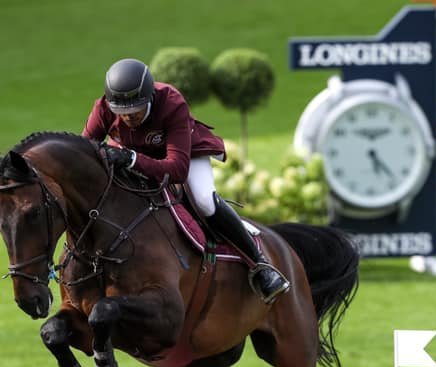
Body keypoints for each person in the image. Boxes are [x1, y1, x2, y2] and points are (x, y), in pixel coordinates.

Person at [82, 58, 290, 304]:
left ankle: (260, 265)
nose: (128, 117)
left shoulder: (171, 102)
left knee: (204, 201)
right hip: (133, 156)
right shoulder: (105, 107)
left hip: (185, 154)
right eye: (122, 112)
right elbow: (85, 150)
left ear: (149, 97)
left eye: (135, 110)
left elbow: (178, 170)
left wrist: (131, 159)